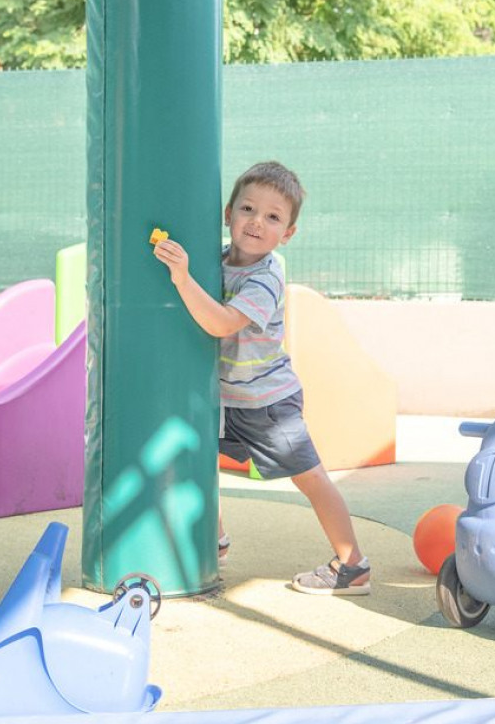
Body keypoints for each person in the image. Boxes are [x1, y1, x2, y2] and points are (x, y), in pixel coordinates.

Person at [152, 161, 370, 596]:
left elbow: (221, 323)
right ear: (228, 213)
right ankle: (214, 539)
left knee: (309, 477)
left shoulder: (265, 277)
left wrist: (181, 277)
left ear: (287, 233)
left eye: (273, 217)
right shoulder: (216, 260)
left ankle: (353, 565)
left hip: (267, 402)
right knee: (196, 458)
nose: (256, 222)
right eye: (248, 208)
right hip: (226, 397)